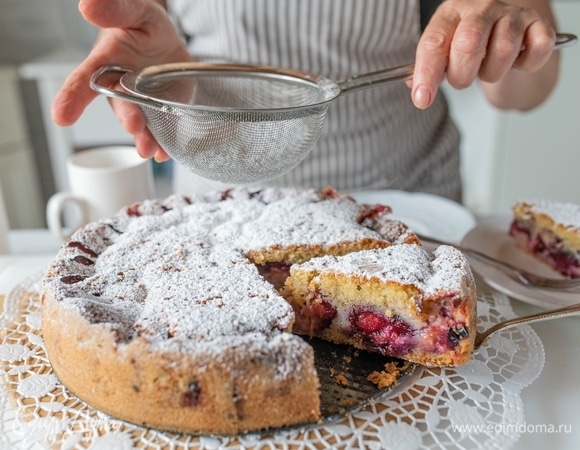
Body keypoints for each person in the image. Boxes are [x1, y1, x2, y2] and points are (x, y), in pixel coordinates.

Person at [52, 0, 561, 202]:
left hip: (402, 206)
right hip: (221, 201)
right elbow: (148, 14)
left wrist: (503, 38)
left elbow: (527, 91)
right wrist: (160, 66)